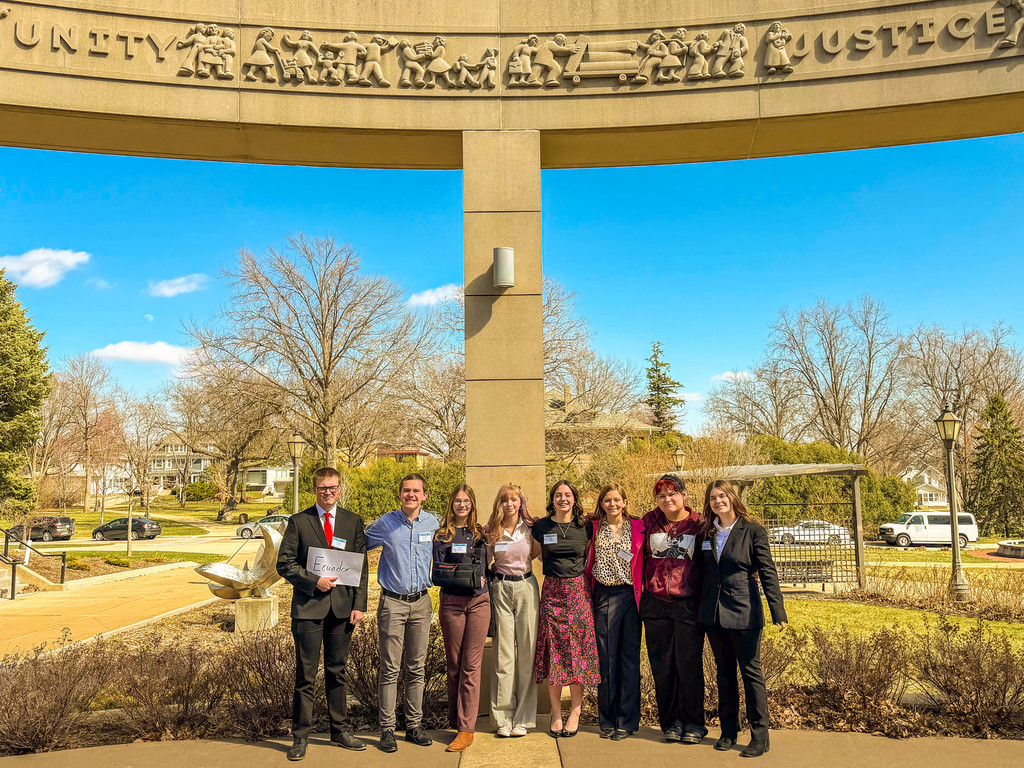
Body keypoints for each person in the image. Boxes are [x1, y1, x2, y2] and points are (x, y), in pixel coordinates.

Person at [277, 467, 369, 761]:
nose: (328, 492)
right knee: (306, 676)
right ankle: (300, 737)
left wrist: (359, 604)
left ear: (339, 488)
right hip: (308, 608)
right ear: (314, 490)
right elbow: (285, 564)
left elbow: (361, 567)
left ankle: (339, 731)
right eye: (322, 488)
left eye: (332, 487)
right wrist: (312, 580)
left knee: (337, 673)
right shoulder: (299, 522)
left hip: (342, 610)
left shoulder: (352, 522)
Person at [698, 481, 787, 758]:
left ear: (732, 498)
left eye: (722, 496)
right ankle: (728, 731)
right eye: (712, 498)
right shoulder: (706, 532)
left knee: (751, 674)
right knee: (724, 674)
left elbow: (767, 572)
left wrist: (777, 610)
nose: (717, 501)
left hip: (744, 612)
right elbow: (701, 572)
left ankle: (760, 736)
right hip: (714, 615)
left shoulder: (753, 530)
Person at [365, 473, 439, 753]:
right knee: (390, 669)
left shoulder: (433, 523)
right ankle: (386, 729)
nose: (411, 495)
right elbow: (358, 546)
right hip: (392, 604)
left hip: (421, 603)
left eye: (416, 491)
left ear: (425, 496)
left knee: (417, 668)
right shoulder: (386, 523)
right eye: (406, 490)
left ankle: (414, 726)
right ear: (400, 494)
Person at [640, 473, 706, 744]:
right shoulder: (649, 521)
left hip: (687, 605)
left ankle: (694, 723)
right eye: (661, 496)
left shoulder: (698, 524)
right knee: (663, 668)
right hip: (655, 606)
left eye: (672, 494)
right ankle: (671, 723)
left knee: (688, 666)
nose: (667, 499)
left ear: (684, 495)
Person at [532, 480, 600, 737]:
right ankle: (556, 713)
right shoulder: (542, 526)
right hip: (551, 593)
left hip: (578, 594)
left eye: (568, 495)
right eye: (558, 495)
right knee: (554, 654)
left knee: (578, 653)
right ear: (553, 499)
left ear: (574, 498)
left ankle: (575, 711)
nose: (563, 499)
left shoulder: (586, 526)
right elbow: (531, 553)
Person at [583, 483, 644, 740]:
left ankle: (627, 722)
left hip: (631, 597)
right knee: (606, 660)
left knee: (629, 660)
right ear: (601, 503)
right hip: (604, 596)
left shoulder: (639, 526)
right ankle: (607, 719)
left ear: (625, 502)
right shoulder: (594, 527)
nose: (612, 504)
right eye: (607, 500)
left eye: (617, 499)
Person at [432, 484, 490, 753]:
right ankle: (455, 720)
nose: (462, 505)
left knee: (471, 666)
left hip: (479, 601)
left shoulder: (483, 534)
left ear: (473, 504)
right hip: (451, 603)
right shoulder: (442, 535)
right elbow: (438, 571)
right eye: (457, 500)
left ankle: (466, 729)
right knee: (454, 663)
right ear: (451, 504)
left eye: (466, 501)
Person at [484, 483, 540, 737]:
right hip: (501, 589)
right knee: (503, 656)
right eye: (505, 500)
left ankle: (524, 719)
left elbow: (539, 553)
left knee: (527, 653)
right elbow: (484, 563)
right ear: (499, 504)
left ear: (521, 502)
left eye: (514, 500)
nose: (510, 504)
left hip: (526, 587)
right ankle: (503, 719)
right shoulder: (491, 531)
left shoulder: (530, 528)